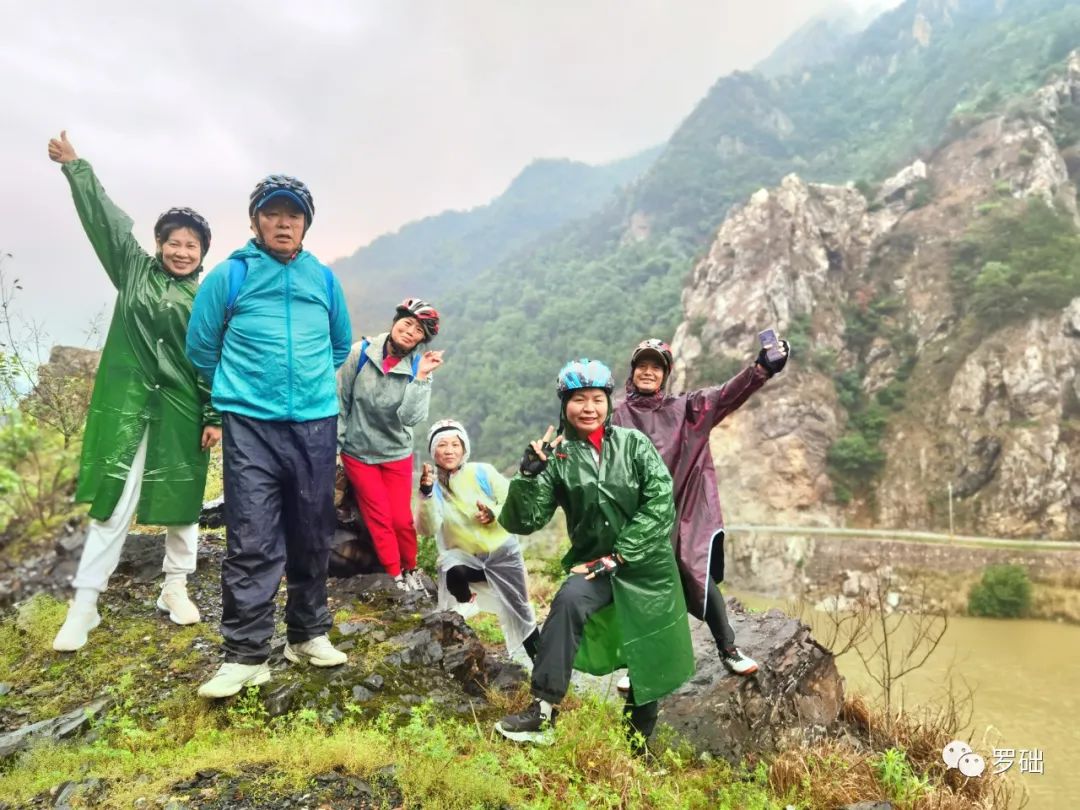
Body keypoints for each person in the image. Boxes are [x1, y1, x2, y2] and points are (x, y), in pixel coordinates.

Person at [47, 131, 219, 652]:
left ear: (201, 253)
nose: (181, 251)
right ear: (160, 244)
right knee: (113, 500)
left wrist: (214, 415)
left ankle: (175, 587)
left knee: (182, 500)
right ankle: (85, 604)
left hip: (182, 408)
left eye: (191, 245)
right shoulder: (132, 269)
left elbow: (214, 358)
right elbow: (106, 220)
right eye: (174, 242)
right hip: (126, 405)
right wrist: (76, 168)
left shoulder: (207, 297)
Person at [186, 174, 353, 698]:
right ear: (256, 220)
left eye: (294, 215)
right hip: (250, 426)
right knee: (252, 536)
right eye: (273, 213)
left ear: (305, 224)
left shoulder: (322, 278)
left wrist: (306, 387)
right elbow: (201, 347)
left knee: (312, 531)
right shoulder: (230, 275)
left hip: (315, 423)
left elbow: (339, 345)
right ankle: (245, 655)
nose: (284, 223)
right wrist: (245, 388)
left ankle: (307, 634)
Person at [494, 359, 694, 746]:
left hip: (646, 566)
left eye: (597, 399)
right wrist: (527, 477)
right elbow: (524, 521)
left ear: (608, 402)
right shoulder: (558, 458)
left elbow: (660, 503)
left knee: (649, 651)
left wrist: (620, 555)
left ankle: (638, 744)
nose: (589, 408)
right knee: (569, 601)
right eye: (579, 399)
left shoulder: (633, 445)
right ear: (564, 404)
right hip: (594, 567)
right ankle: (543, 712)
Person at [611, 337, 789, 680]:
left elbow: (726, 394)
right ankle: (639, 664)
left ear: (665, 375)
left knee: (696, 574)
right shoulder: (616, 413)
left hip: (684, 510)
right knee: (640, 587)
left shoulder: (687, 409)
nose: (648, 372)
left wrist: (761, 369)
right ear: (632, 372)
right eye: (642, 365)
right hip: (636, 516)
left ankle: (728, 648)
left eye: (656, 367)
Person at [337, 299, 443, 592]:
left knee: (401, 520)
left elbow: (411, 417)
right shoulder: (360, 354)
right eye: (407, 323)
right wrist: (336, 448)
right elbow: (341, 402)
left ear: (421, 340)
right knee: (379, 518)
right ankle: (395, 575)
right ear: (395, 322)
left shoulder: (419, 367)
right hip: (358, 452)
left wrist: (421, 378)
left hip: (395, 453)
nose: (410, 332)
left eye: (418, 331)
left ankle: (411, 568)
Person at [416, 419, 539, 660]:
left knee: (521, 612)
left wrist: (493, 513)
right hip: (468, 561)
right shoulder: (434, 488)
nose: (449, 450)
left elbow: (511, 501)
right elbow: (427, 529)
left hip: (502, 555)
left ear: (464, 449)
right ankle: (466, 602)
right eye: (442, 445)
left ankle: (541, 665)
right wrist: (426, 494)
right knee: (450, 566)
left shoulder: (482, 472)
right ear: (433, 451)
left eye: (455, 444)